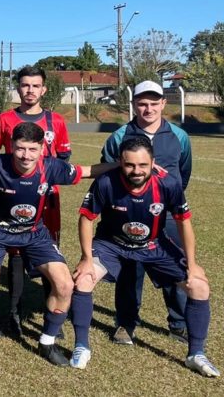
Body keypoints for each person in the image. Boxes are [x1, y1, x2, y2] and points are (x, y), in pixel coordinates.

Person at [0, 122, 113, 366]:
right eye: (20, 148)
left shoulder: (51, 167)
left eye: (32, 149)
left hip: (34, 233)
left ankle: (47, 342)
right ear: (11, 146)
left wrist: (122, 164)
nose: (26, 155)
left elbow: (87, 170)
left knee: (65, 284)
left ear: (42, 149)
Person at [72, 136, 217, 377]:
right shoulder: (106, 182)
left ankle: (196, 354)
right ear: (120, 162)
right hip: (112, 244)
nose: (136, 171)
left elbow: (184, 223)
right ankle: (81, 347)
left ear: (153, 162)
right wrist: (87, 258)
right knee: (83, 280)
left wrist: (192, 264)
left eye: (143, 165)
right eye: (129, 165)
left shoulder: (168, 183)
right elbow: (86, 219)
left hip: (154, 246)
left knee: (199, 286)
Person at [101, 80, 192, 345]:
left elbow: (183, 173)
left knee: (175, 267)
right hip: (129, 216)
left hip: (167, 215)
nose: (148, 109)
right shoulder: (119, 136)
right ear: (133, 105)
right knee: (130, 270)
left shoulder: (179, 136)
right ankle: (126, 324)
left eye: (154, 103)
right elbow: (107, 171)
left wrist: (168, 199)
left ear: (163, 103)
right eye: (142, 103)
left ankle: (179, 324)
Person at [0, 66, 73, 336]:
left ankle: (52, 315)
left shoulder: (56, 121)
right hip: (13, 199)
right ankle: (13, 315)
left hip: (47, 200)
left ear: (44, 89)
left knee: (51, 253)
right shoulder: (4, 119)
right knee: (15, 254)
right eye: (25, 85)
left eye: (35, 85)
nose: (30, 90)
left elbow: (63, 160)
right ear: (18, 88)